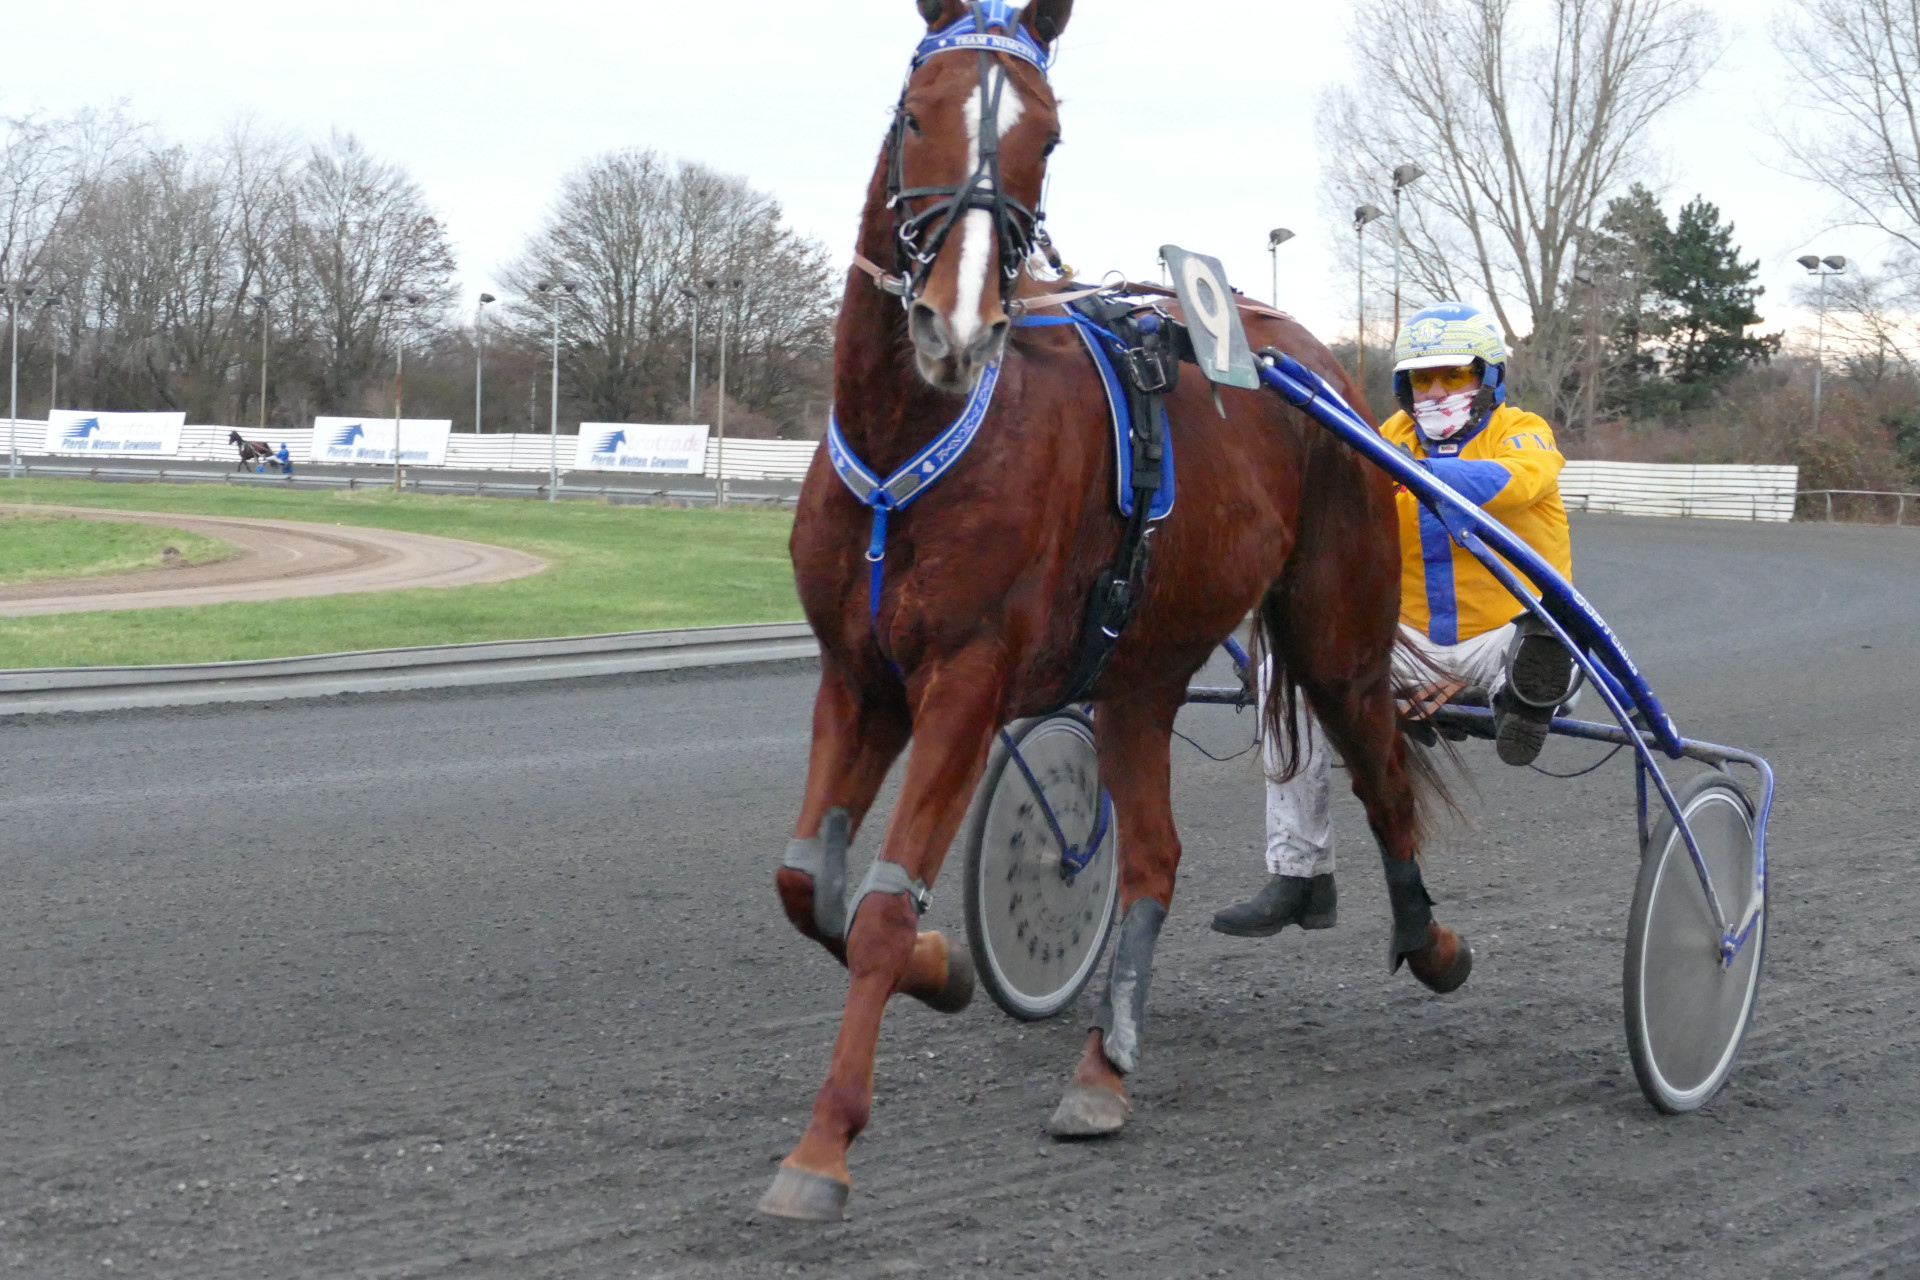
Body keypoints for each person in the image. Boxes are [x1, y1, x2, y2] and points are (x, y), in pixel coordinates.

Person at [1211, 301, 1575, 938]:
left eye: (1453, 376)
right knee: (1282, 673)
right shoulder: (1386, 439)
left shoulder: (1521, 430)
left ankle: (1522, 697)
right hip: (1411, 649)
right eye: (1422, 379)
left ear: (1489, 378)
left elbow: (1522, 481)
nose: (1435, 392)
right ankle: (1298, 873)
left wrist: (1413, 475)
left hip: (1505, 638)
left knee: (1544, 648)